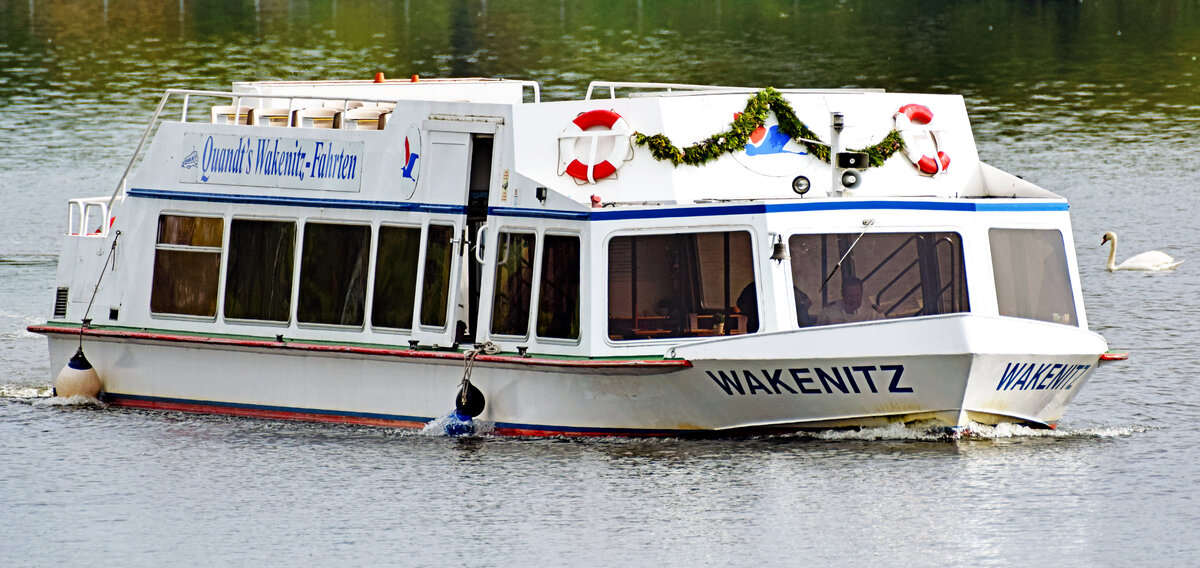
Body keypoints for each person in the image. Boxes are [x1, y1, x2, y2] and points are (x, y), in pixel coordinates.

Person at [817, 277, 881, 325]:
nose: (854, 300)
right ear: (842, 294)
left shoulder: (873, 314)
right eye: (850, 296)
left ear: (862, 293)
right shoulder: (829, 314)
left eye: (857, 295)